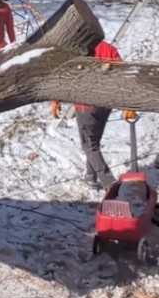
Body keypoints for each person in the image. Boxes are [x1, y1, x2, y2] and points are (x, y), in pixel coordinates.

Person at [52, 38, 122, 190]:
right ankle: (91, 177)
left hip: (86, 105)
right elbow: (122, 74)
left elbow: (65, 76)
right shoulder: (108, 48)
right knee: (93, 143)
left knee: (89, 146)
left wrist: (56, 99)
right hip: (106, 103)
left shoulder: (76, 49)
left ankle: (109, 183)